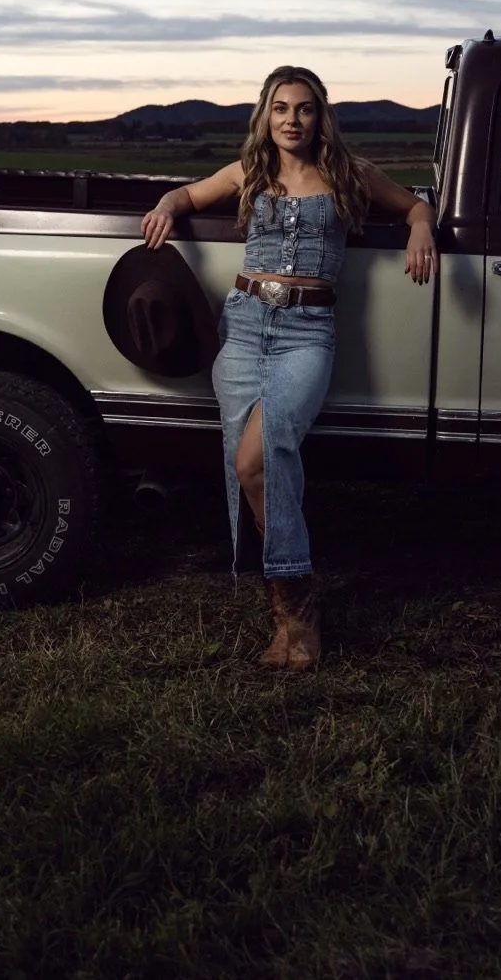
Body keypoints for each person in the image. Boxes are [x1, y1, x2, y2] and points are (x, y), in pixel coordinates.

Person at [140, 66, 436, 671]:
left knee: (260, 457)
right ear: (265, 116)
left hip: (306, 334)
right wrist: (166, 207)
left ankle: (299, 610)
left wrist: (421, 228)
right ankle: (292, 616)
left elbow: (414, 206)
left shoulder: (350, 175)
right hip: (245, 327)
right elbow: (187, 195)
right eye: (280, 109)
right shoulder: (249, 173)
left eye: (303, 109)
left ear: (320, 115)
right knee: (246, 464)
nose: (291, 120)